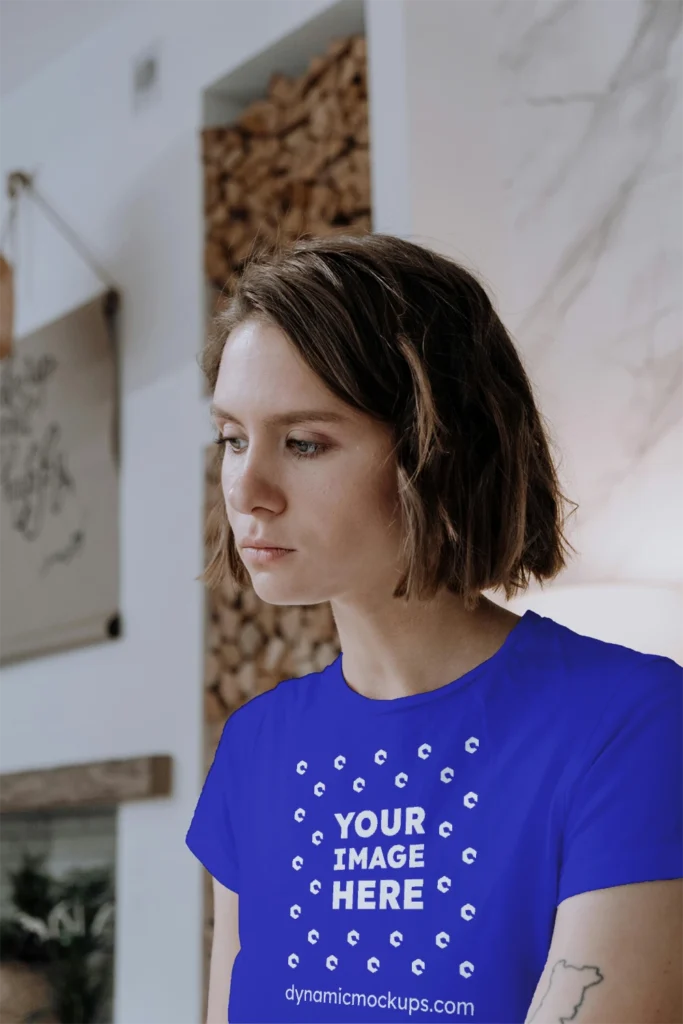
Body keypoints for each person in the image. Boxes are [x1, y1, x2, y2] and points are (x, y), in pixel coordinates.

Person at [185, 233, 683, 1024]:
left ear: (437, 448)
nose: (246, 487)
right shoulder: (255, 746)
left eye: (304, 442)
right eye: (232, 439)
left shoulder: (631, 722)